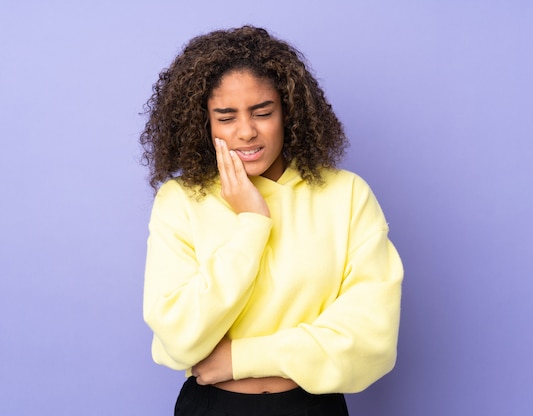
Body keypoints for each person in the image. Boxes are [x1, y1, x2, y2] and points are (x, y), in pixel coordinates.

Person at [140, 25, 403, 416]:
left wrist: (240, 359)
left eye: (263, 112)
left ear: (288, 112)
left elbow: (371, 339)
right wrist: (252, 223)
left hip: (312, 409)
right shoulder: (180, 201)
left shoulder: (345, 195)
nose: (247, 132)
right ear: (204, 123)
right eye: (226, 117)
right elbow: (179, 335)